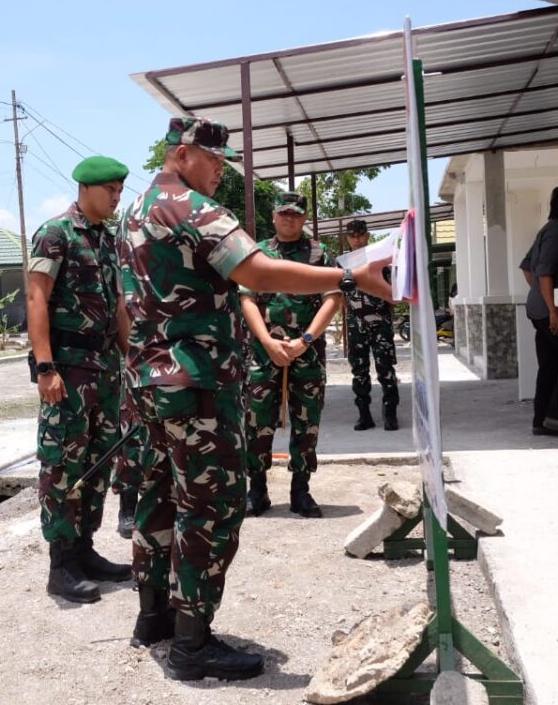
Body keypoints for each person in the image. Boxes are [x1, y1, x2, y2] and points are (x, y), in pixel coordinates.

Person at [119, 117, 395, 681]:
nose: (222, 171)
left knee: (158, 496)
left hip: (149, 380)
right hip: (194, 384)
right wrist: (347, 278)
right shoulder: (189, 206)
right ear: (181, 154)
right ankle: (191, 645)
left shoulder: (137, 206)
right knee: (211, 508)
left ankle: (153, 618)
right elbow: (258, 272)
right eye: (214, 160)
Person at [27, 155, 132, 604]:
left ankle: (85, 550)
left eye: (119, 191)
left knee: (97, 464)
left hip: (105, 369)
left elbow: (121, 307)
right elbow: (35, 298)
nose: (116, 198)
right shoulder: (56, 235)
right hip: (67, 370)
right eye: (110, 190)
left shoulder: (109, 238)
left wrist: (133, 360)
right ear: (86, 189)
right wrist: (45, 367)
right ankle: (61, 564)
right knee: (62, 464)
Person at [241, 192, 340, 519]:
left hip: (306, 351)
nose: (289, 219)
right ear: (273, 217)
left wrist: (306, 339)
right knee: (256, 419)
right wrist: (268, 342)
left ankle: (301, 490)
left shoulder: (319, 253)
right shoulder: (258, 253)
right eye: (283, 213)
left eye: (295, 214)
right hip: (263, 350)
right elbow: (247, 299)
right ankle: (257, 490)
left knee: (307, 420)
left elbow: (333, 298)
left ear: (303, 218)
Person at [519, 185, 558, 437]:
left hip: (538, 310)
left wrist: (539, 297)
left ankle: (540, 421)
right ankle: (553, 418)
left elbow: (527, 267)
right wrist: (551, 308)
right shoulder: (556, 234)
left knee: (549, 365)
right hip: (548, 313)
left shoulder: (547, 230)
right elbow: (543, 271)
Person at [343, 219, 400, 432]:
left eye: (360, 235)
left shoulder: (380, 258)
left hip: (379, 321)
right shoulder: (343, 263)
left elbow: (392, 290)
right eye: (352, 236)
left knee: (385, 368)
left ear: (367, 235)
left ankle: (390, 413)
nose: (356, 239)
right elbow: (340, 295)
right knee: (359, 370)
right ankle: (364, 414)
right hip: (356, 322)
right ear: (347, 238)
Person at [110, 372, 147, 540]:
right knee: (131, 443)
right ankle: (128, 510)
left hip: (167, 367)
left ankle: (157, 508)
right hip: (133, 371)